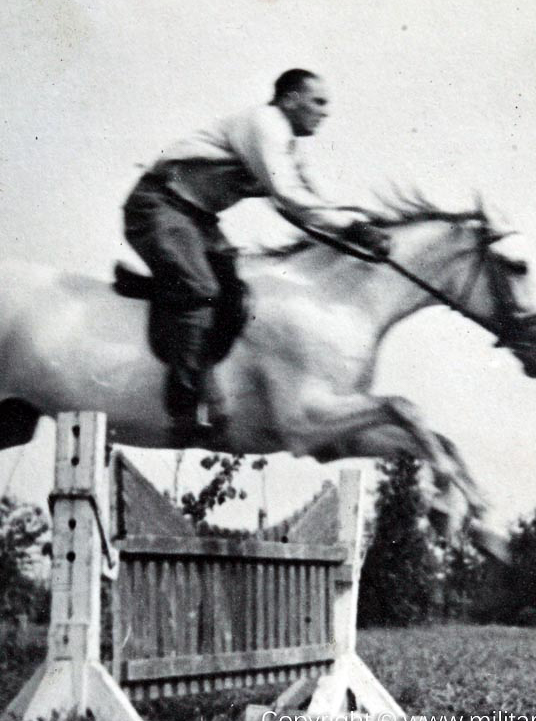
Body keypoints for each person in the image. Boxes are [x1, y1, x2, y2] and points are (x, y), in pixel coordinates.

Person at [123, 68, 389, 443]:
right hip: (157, 207)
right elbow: (288, 195)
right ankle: (182, 410)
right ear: (290, 99)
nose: (324, 113)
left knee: (235, 294)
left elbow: (313, 198)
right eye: (318, 102)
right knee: (200, 290)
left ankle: (200, 366)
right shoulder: (266, 125)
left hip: (194, 218)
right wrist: (351, 227)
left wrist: (357, 223)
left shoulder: (287, 144)